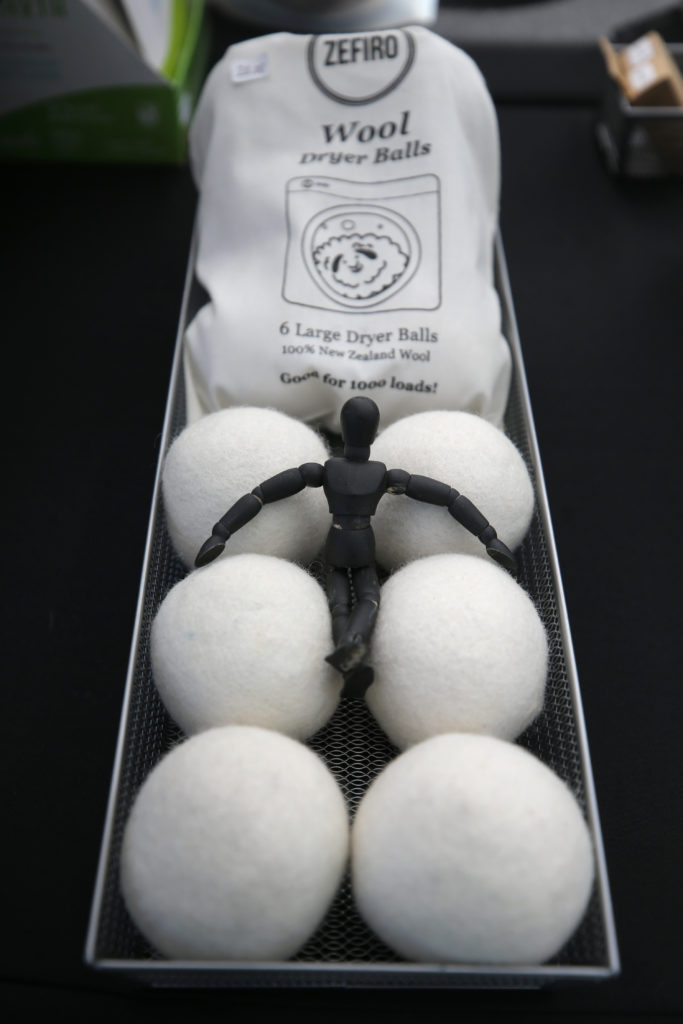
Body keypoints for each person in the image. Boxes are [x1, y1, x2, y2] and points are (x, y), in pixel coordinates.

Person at [195, 397, 516, 699]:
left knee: (338, 603)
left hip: (336, 540)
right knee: (369, 597)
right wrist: (488, 537)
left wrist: (221, 533)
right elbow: (449, 497)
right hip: (364, 542)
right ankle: (354, 643)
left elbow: (262, 494)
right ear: (374, 433)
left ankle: (345, 654)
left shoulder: (327, 470)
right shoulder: (382, 475)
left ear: (344, 430)